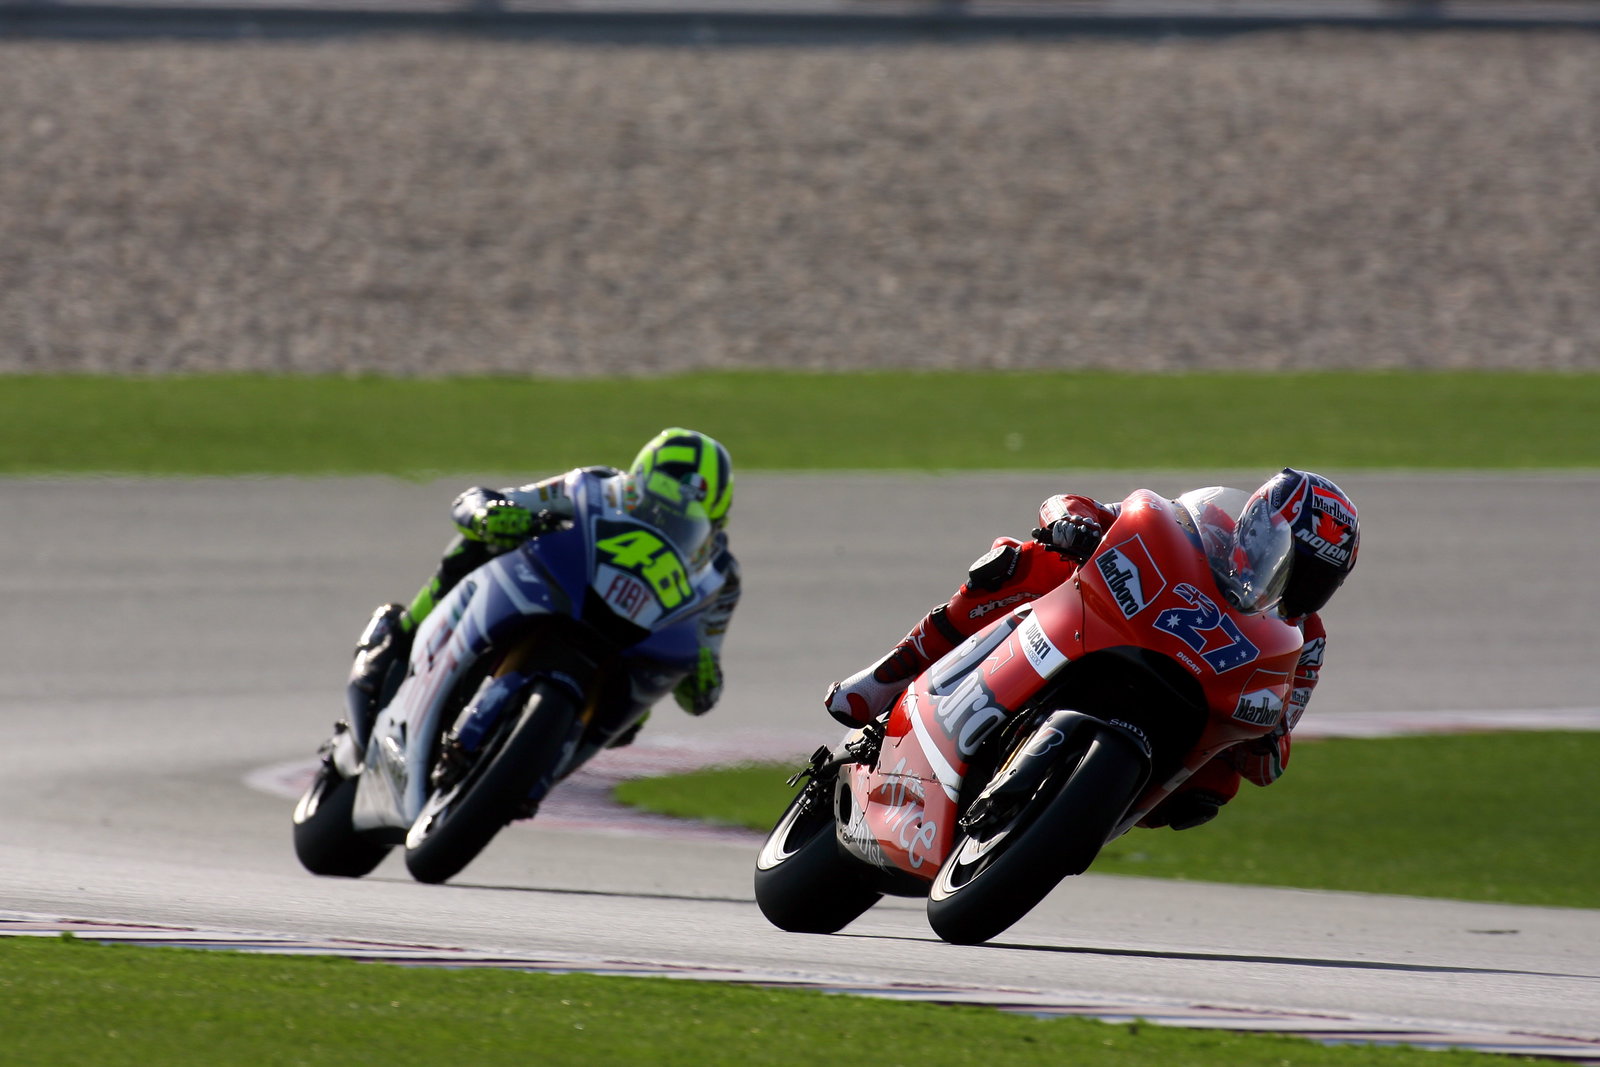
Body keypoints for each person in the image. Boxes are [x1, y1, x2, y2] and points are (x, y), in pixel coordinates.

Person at [823, 468, 1359, 832]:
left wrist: (1266, 739)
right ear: (1258, 528)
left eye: (1317, 579)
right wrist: (1070, 522)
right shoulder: (1210, 528)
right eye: (1294, 559)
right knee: (1025, 562)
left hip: (1184, 702)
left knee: (1216, 785)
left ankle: (1071, 818)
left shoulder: (1303, 640)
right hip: (1112, 629)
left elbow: (1276, 748)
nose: (1297, 584)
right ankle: (888, 677)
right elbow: (1095, 510)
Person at [343, 427, 740, 745]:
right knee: (485, 544)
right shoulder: (597, 485)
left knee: (632, 724)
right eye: (656, 501)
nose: (664, 518)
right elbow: (486, 501)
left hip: (630, 650)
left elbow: (703, 685)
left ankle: (538, 760)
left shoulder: (722, 574)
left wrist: (702, 672)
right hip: (568, 592)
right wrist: (491, 515)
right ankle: (400, 635)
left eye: (683, 510)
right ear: (637, 482)